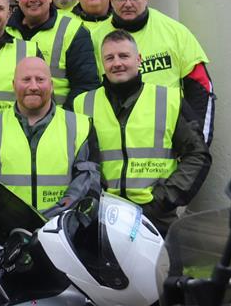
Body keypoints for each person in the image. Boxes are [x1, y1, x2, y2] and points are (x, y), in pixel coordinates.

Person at [74, 30, 211, 234]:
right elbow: (78, 161)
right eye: (109, 58)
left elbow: (198, 155)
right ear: (102, 63)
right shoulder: (83, 103)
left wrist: (165, 199)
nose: (117, 63)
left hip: (156, 216)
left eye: (124, 56)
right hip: (103, 217)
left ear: (138, 59)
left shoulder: (168, 100)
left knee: (160, 267)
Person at [91, 0, 215, 144]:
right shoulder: (94, 38)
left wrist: (198, 141)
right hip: (116, 137)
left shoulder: (175, 32)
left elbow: (200, 86)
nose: (127, 4)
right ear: (111, 0)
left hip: (169, 136)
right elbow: (89, 90)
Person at [0, 57, 99, 217]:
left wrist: (54, 218)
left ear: (51, 85)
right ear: (13, 85)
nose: (33, 86)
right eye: (26, 79)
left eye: (40, 79)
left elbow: (87, 183)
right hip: (8, 232)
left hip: (63, 230)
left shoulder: (81, 126)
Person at [6, 0, 98, 107]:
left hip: (58, 121)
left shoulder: (73, 31)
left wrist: (63, 119)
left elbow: (86, 85)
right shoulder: (4, 31)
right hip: (11, 121)